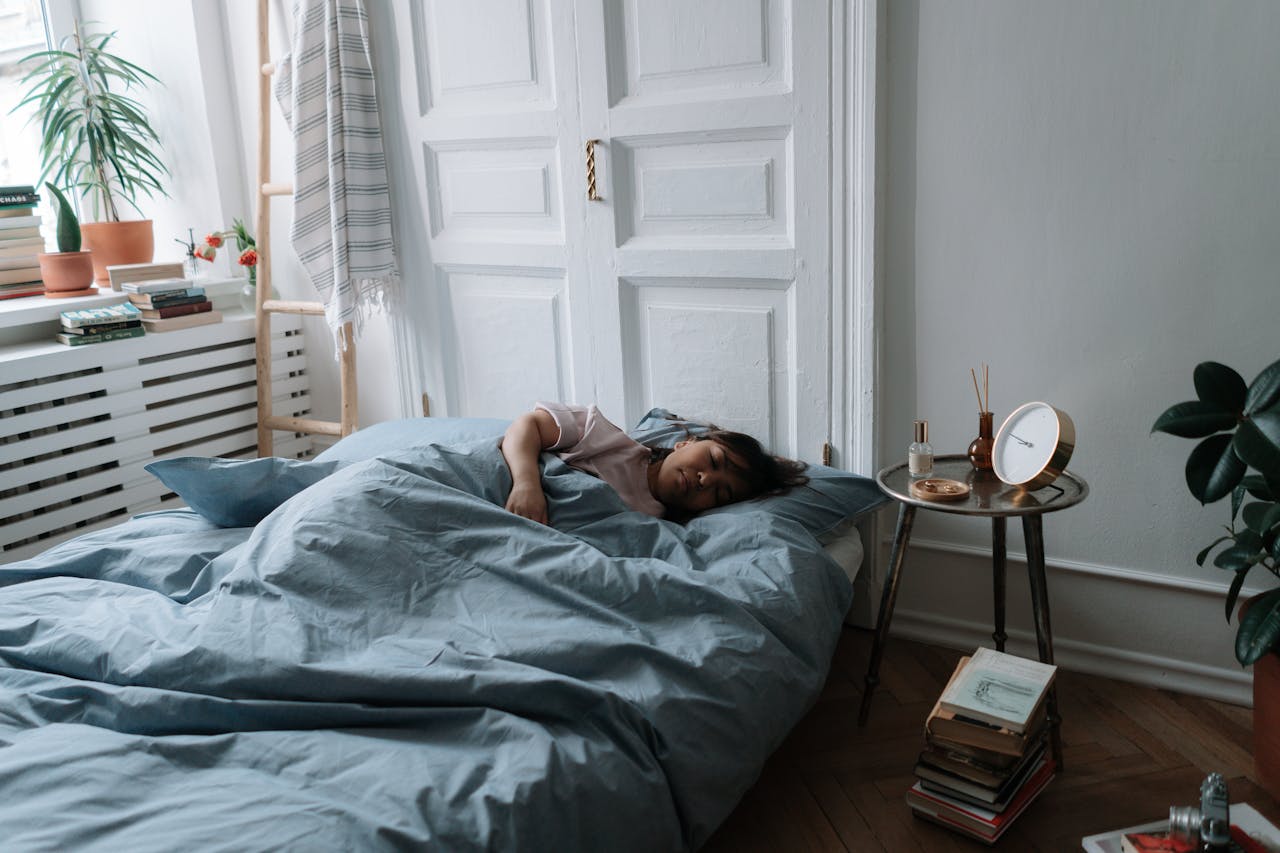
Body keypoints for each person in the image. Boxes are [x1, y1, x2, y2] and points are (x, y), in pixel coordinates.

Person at [500, 402, 809, 524]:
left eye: (720, 494)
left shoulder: (655, 523)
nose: (706, 480)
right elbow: (529, 425)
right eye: (714, 460)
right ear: (685, 442)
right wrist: (526, 483)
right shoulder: (605, 438)